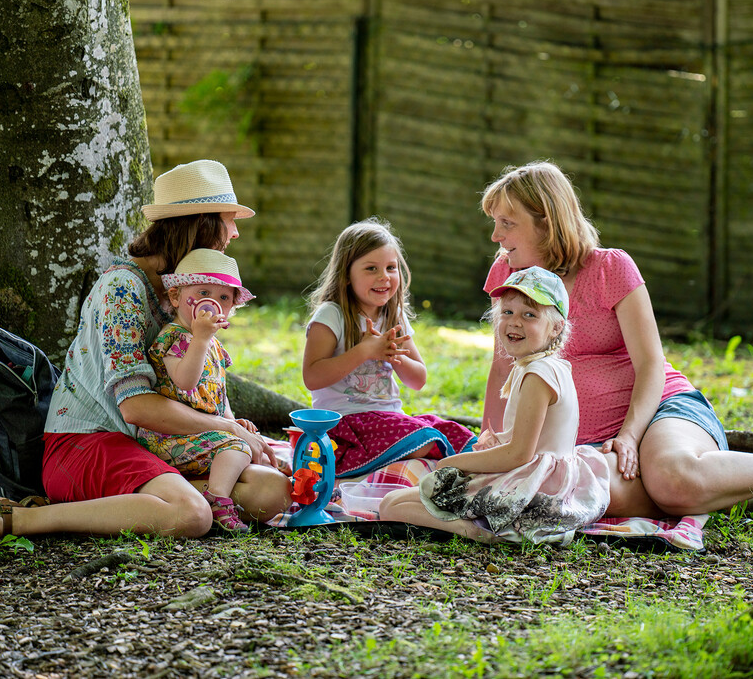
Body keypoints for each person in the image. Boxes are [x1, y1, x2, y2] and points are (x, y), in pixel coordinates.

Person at [0, 159, 292, 545]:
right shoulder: (123, 288)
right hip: (89, 444)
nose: (235, 232)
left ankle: (151, 502)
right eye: (228, 220)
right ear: (200, 225)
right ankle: (15, 518)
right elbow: (135, 407)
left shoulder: (187, 294)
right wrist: (225, 428)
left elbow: (197, 380)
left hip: (154, 445)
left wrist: (235, 430)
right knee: (193, 514)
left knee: (271, 490)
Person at [479, 161, 753, 518]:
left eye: (507, 223)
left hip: (659, 411)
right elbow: (502, 367)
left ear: (547, 223)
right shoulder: (506, 275)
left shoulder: (610, 268)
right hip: (587, 443)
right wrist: (490, 437)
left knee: (671, 479)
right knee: (584, 496)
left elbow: (650, 364)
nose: (496, 236)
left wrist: (630, 436)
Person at [379, 267, 609, 544]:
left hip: (531, 490)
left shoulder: (538, 374)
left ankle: (480, 532)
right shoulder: (547, 366)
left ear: (556, 327)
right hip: (543, 482)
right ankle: (480, 524)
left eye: (529, 315)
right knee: (399, 500)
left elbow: (519, 455)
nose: (515, 322)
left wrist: (452, 462)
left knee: (392, 505)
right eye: (507, 312)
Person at [302, 218, 476, 478]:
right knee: (425, 439)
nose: (384, 277)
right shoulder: (332, 315)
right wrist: (364, 351)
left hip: (389, 421)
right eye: (371, 268)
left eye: (391, 268)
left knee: (463, 439)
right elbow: (312, 377)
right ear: (346, 275)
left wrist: (394, 355)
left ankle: (448, 468)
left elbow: (418, 380)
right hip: (347, 425)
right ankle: (433, 468)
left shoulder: (394, 316)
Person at [138, 248, 288, 533]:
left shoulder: (212, 343)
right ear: (175, 297)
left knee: (247, 442)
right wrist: (200, 340)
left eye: (224, 297)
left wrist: (232, 422)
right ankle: (218, 500)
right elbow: (185, 381)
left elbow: (218, 392)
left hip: (203, 434)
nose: (213, 303)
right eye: (204, 292)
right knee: (237, 446)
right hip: (169, 437)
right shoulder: (174, 338)